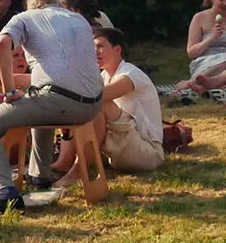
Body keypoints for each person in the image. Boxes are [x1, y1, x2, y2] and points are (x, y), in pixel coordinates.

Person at [0, 0, 104, 214]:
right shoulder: (78, 20)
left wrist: (10, 90)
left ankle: (3, 192)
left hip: (59, 100)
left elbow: (2, 44)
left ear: (31, 5)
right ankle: (39, 176)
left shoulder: (25, 17)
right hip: (93, 103)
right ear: (59, 3)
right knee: (38, 101)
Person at [55, 27, 164, 181]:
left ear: (117, 49)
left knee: (97, 104)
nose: (94, 52)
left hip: (148, 153)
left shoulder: (131, 74)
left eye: (100, 47)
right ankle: (63, 163)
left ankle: (77, 172)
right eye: (92, 48)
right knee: (82, 109)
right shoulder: (104, 76)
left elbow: (96, 97)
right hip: (120, 148)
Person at [174, 0, 226, 96]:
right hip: (206, 60)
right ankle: (193, 83)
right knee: (225, 61)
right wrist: (211, 37)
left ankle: (205, 89)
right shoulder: (199, 17)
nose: (225, 3)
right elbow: (192, 53)